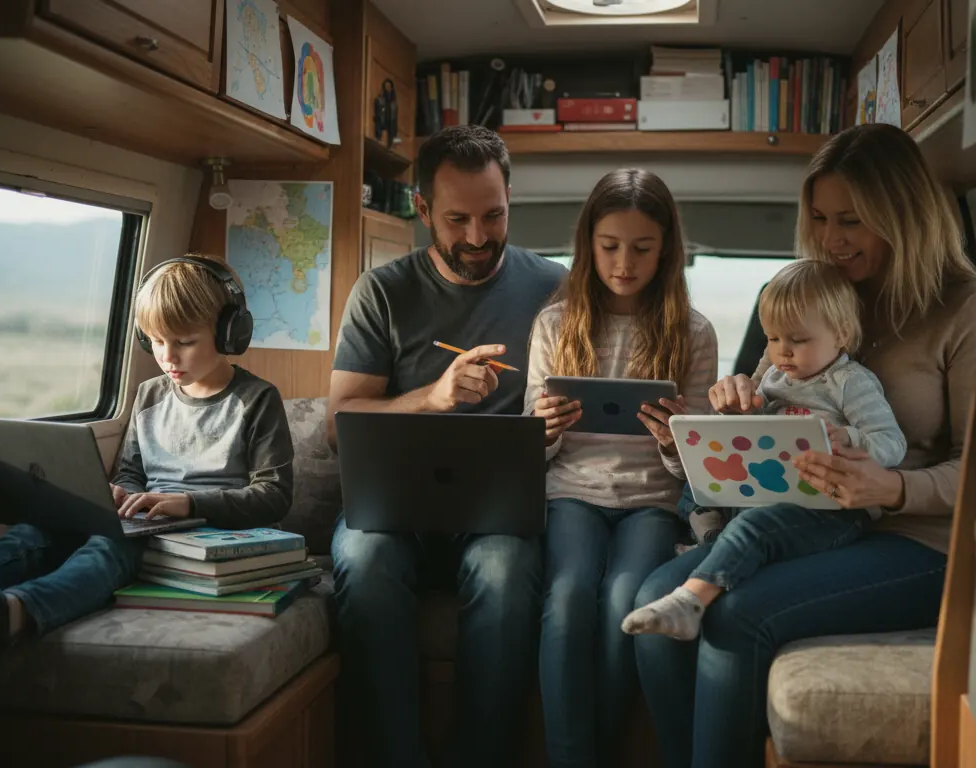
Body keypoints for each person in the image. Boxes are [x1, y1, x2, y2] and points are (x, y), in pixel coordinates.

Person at [631, 122, 976, 768]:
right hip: (805, 517)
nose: (831, 240)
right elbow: (758, 418)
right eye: (821, 219)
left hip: (918, 542)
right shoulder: (810, 295)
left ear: (903, 215)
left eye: (852, 221)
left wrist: (897, 485)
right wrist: (730, 406)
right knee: (651, 599)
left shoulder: (967, 311)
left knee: (734, 616)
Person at [0, 255, 295, 678]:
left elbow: (274, 496)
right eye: (156, 341)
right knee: (38, 535)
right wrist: (119, 491)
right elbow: (131, 473)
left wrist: (187, 504)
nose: (168, 356)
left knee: (111, 547)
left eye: (184, 341)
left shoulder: (257, 399)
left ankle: (9, 616)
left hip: (214, 533)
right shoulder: (150, 394)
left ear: (229, 333)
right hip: (149, 522)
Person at [326, 124, 566, 768]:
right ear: (423, 210)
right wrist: (432, 398)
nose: (478, 238)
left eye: (494, 216)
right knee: (366, 562)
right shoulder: (382, 291)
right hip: (393, 507)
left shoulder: (555, 287)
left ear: (510, 199)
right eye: (457, 219)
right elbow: (338, 420)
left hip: (499, 509)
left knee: (506, 571)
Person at [526, 168, 718, 768]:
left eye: (642, 248)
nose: (624, 263)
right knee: (566, 597)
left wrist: (672, 441)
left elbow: (696, 471)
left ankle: (605, 751)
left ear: (667, 251)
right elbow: (531, 450)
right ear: (588, 245)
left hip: (652, 499)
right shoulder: (554, 324)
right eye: (609, 247)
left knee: (622, 603)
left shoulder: (694, 332)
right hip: (570, 492)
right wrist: (545, 430)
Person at [621, 258, 906, 640]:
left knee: (754, 525)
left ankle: (690, 600)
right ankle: (711, 537)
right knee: (704, 478)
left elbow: (893, 444)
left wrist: (849, 439)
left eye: (798, 340)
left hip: (828, 510)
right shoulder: (772, 376)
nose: (782, 352)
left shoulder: (848, 383)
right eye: (772, 339)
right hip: (767, 491)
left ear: (839, 335)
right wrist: (734, 418)